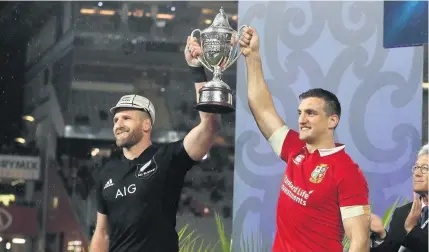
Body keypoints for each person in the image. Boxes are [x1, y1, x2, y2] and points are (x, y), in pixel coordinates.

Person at [238, 27, 371, 252]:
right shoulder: (294, 148)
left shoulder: (348, 172)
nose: (301, 119)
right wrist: (252, 57)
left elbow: (360, 241)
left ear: (332, 121)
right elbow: (261, 107)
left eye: (310, 113)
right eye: (300, 112)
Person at [89, 37, 221, 252]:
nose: (118, 124)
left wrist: (196, 69)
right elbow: (102, 232)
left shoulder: (167, 158)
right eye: (115, 120)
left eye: (126, 118)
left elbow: (210, 125)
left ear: (146, 124)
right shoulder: (106, 172)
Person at [370, 144, 428, 252]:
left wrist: (412, 229)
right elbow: (391, 249)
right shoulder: (402, 212)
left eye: (425, 168)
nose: (417, 173)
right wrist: (381, 234)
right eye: (416, 167)